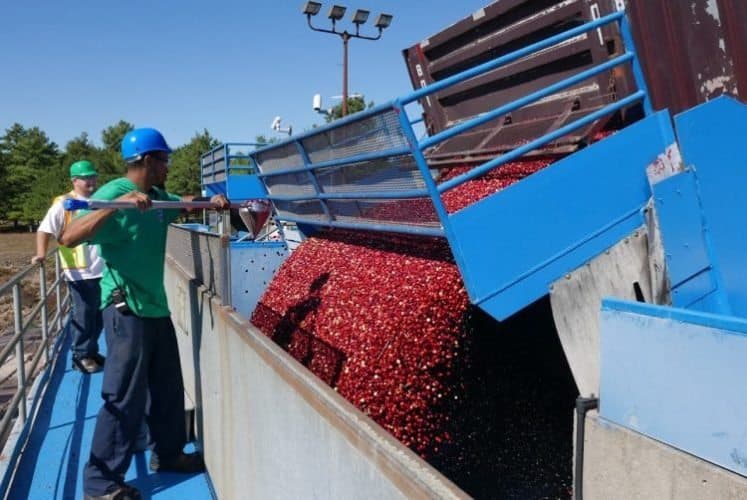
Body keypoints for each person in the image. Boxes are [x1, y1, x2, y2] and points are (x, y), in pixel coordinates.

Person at [59, 127, 229, 500]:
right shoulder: (115, 194)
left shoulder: (156, 196)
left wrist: (209, 203)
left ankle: (167, 455)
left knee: (167, 388)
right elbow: (69, 237)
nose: (169, 165)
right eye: (165, 160)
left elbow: (181, 202)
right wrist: (113, 208)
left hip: (156, 306)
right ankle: (101, 483)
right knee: (123, 396)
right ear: (149, 160)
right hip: (126, 309)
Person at [32, 160, 105, 374]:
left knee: (99, 315)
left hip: (102, 267)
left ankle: (91, 351)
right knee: (84, 314)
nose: (91, 181)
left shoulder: (100, 200)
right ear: (74, 180)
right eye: (86, 177)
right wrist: (41, 254)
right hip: (79, 271)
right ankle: (81, 356)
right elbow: (44, 230)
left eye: (93, 176)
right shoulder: (63, 204)